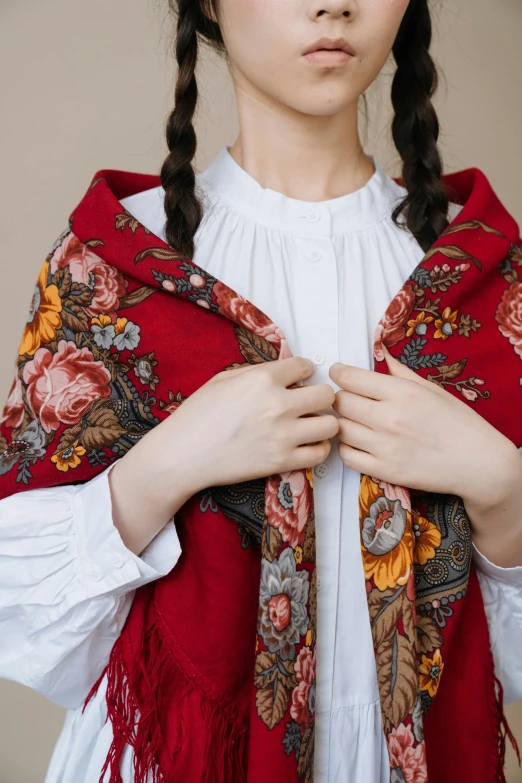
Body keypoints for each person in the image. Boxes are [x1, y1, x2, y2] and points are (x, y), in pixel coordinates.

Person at [1, 0, 522, 782]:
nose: (333, 5)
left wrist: (505, 497)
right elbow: (18, 607)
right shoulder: (114, 261)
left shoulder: (484, 273)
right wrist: (169, 462)